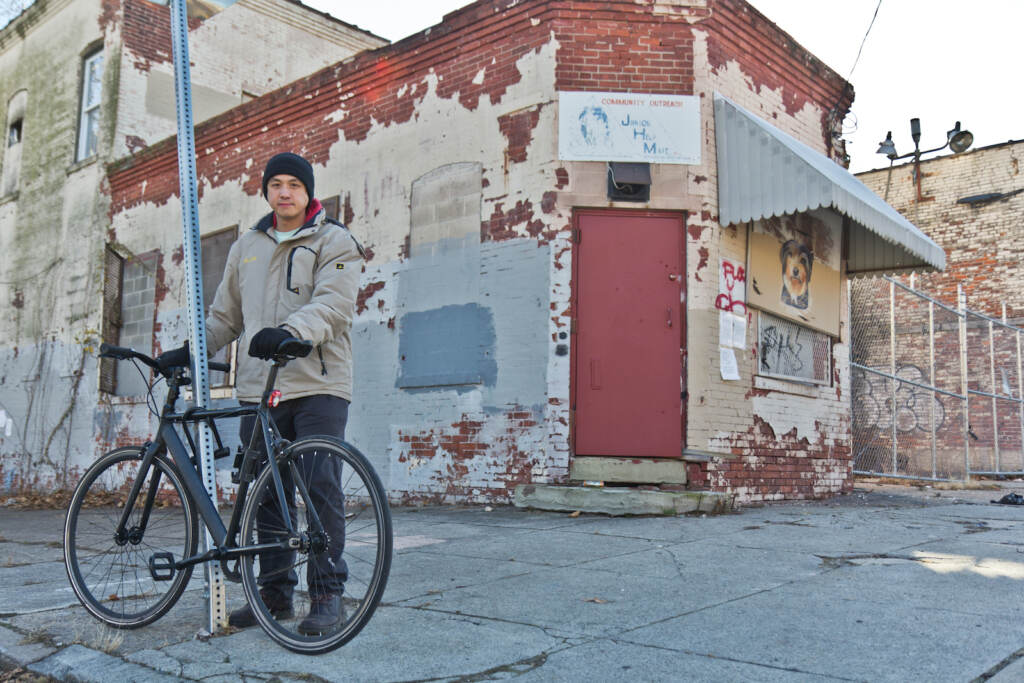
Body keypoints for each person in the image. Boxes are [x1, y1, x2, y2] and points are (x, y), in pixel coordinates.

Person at [157, 152, 364, 634]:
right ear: (266, 191)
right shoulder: (247, 246)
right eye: (276, 184)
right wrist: (190, 350)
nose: (285, 192)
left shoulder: (335, 241)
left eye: (294, 183)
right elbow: (226, 316)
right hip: (260, 389)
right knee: (266, 494)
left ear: (309, 191)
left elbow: (333, 304)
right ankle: (274, 596)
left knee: (319, 486)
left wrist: (291, 330)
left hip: (317, 383)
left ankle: (327, 593)